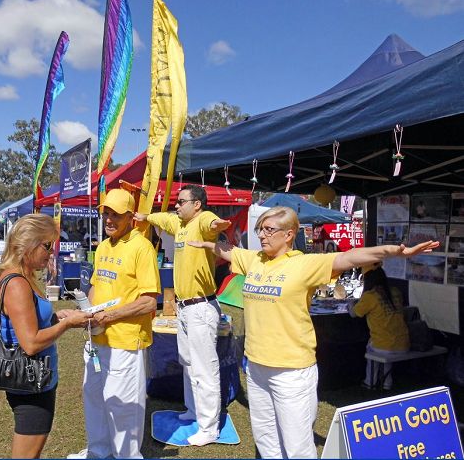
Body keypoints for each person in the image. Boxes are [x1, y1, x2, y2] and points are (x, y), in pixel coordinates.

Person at [188, 206, 438, 458]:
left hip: (292, 371)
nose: (262, 235)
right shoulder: (255, 259)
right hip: (255, 367)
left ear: (288, 234)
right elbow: (227, 251)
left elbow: (350, 257)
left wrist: (394, 251)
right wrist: (205, 239)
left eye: (269, 230)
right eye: (260, 229)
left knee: (297, 446)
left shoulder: (305, 263)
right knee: (265, 437)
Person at [134, 184, 231, 446]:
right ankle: (193, 411)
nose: (176, 205)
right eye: (176, 202)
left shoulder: (201, 220)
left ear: (197, 204)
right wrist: (146, 217)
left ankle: (209, 428)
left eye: (181, 201)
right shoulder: (179, 223)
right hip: (184, 308)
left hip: (201, 308)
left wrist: (218, 225)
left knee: (204, 369)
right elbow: (162, 217)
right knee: (188, 362)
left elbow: (213, 222)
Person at [69, 188, 161, 459]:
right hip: (97, 339)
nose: (109, 219)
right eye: (106, 213)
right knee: (95, 399)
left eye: (116, 215)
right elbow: (97, 285)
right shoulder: (104, 246)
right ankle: (98, 452)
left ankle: (126, 455)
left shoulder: (141, 247)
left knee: (122, 407)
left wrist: (108, 317)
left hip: (125, 342)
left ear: (131, 217)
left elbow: (148, 301)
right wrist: (89, 314)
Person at [0, 214, 91, 458]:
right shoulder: (17, 282)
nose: (51, 252)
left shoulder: (23, 275)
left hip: (36, 381)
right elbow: (30, 343)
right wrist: (68, 323)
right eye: (47, 245)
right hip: (31, 384)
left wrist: (55, 317)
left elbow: (28, 321)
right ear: (29, 243)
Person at [351, 263, 409, 390]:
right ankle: (387, 382)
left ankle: (369, 381)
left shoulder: (370, 296)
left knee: (372, 347)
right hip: (404, 343)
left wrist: (351, 304)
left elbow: (354, 313)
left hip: (385, 345)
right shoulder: (395, 291)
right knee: (382, 345)